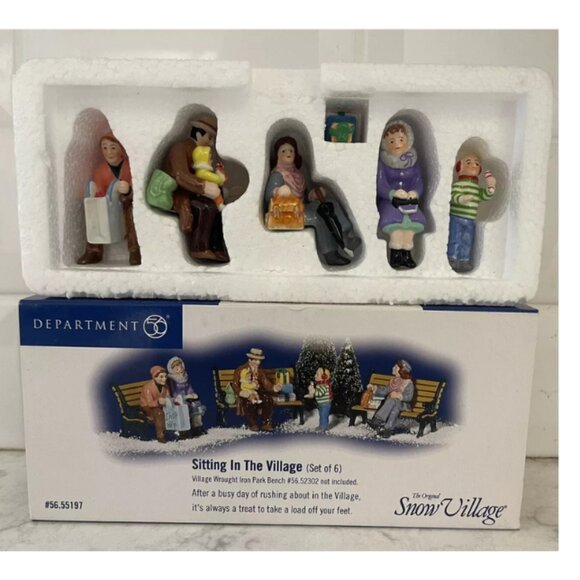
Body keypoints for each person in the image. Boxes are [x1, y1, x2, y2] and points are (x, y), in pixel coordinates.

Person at [263, 136, 361, 266]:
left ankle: (347, 234)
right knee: (317, 216)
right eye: (283, 151)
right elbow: (268, 196)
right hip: (288, 213)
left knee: (329, 203)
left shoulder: (298, 175)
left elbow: (304, 197)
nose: (288, 153)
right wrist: (279, 191)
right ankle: (330, 254)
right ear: (277, 155)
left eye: (291, 150)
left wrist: (314, 194)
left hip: (301, 207)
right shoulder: (277, 174)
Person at [162, 116, 229, 262]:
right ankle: (199, 247)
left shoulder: (200, 151)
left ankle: (216, 246)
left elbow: (203, 172)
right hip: (179, 192)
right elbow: (181, 175)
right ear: (198, 134)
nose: (211, 142)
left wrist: (217, 178)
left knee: (218, 206)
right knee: (205, 207)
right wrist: (203, 186)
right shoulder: (180, 148)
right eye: (209, 137)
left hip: (192, 191)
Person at [77, 133, 141, 265]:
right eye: (105, 148)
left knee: (131, 216)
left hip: (126, 204)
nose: (109, 152)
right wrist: (98, 195)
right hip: (107, 205)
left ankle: (134, 250)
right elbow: (99, 187)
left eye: (113, 148)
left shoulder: (129, 167)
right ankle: (94, 250)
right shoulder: (101, 170)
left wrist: (128, 190)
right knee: (94, 213)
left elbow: (138, 185)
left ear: (121, 149)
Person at [376, 120, 426, 270]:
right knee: (395, 222)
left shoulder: (413, 163)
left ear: (408, 141)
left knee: (412, 222)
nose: (397, 144)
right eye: (392, 141)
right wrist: (392, 193)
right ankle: (396, 253)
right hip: (389, 201)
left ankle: (407, 253)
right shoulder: (383, 163)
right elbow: (380, 184)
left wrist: (414, 192)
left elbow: (418, 182)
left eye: (401, 139)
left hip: (409, 201)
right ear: (385, 144)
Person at [447, 152, 497, 272]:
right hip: (457, 217)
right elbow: (454, 195)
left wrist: (491, 188)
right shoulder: (459, 184)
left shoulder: (476, 188)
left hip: (470, 219)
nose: (473, 165)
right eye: (468, 163)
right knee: (455, 238)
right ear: (460, 167)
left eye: (477, 164)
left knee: (467, 240)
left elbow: (484, 195)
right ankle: (453, 257)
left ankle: (464, 259)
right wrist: (461, 199)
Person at [232, 348, 281, 432]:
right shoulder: (240, 369)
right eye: (255, 360)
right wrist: (242, 393)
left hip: (257, 392)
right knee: (249, 402)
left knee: (268, 399)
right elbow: (235, 385)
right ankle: (252, 423)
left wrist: (274, 388)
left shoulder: (260, 371)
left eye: (259, 360)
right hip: (245, 392)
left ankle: (266, 423)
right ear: (250, 360)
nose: (258, 363)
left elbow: (266, 383)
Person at [368, 360, 415, 438]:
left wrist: (398, 395)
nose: (393, 368)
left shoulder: (408, 383)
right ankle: (387, 430)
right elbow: (385, 391)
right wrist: (374, 388)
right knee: (395, 409)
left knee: (393, 400)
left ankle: (378, 420)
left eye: (396, 367)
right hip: (394, 405)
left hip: (404, 405)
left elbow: (409, 397)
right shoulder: (393, 381)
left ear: (401, 371)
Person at [166, 356, 207, 438]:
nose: (179, 369)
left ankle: (197, 427)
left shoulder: (184, 377)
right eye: (176, 367)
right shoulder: (171, 380)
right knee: (183, 409)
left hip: (186, 399)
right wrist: (184, 396)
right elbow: (174, 393)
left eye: (180, 366)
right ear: (171, 370)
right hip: (177, 401)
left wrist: (192, 394)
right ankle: (183, 431)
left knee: (196, 406)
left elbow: (188, 388)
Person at [139, 365, 169, 443]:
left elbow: (168, 397)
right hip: (147, 407)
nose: (164, 379)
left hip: (160, 406)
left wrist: (170, 401)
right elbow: (149, 403)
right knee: (159, 413)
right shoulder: (147, 387)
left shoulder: (165, 386)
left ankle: (171, 431)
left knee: (170, 411)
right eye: (161, 377)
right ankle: (160, 435)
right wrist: (158, 402)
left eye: (165, 376)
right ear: (154, 377)